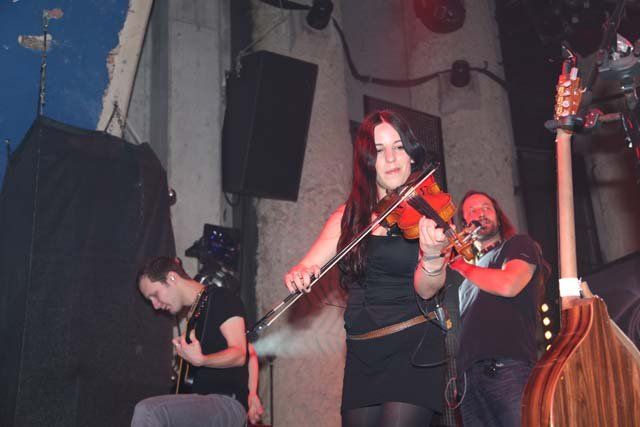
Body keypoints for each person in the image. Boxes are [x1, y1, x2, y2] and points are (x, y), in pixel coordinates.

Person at [285, 110, 449, 427]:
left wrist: (431, 257)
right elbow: (309, 263)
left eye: (399, 147)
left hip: (412, 346)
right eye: (379, 150)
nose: (391, 158)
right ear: (367, 162)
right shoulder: (348, 217)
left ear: (412, 155)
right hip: (363, 351)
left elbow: (428, 290)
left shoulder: (431, 213)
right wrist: (300, 272)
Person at [417, 191, 549, 427]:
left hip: (508, 368)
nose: (481, 213)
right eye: (472, 210)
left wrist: (461, 266)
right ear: (464, 224)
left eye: (486, 207)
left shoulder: (518, 244)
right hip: (468, 383)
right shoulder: (465, 277)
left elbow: (509, 284)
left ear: (498, 215)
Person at [131, 257, 264, 427]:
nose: (155, 306)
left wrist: (202, 360)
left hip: (225, 404)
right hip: (205, 407)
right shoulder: (194, 318)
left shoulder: (220, 298)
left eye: (155, 295)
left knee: (149, 411)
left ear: (172, 277)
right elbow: (250, 351)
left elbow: (239, 354)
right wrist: (252, 394)